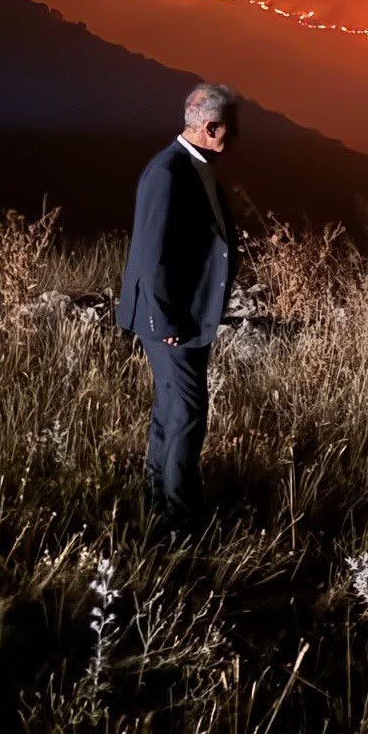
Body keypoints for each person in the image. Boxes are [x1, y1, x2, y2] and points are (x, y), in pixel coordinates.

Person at [116, 82, 241, 526]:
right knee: (188, 414)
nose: (236, 137)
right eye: (232, 128)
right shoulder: (168, 172)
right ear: (209, 126)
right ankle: (181, 520)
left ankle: (158, 505)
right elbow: (151, 256)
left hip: (182, 315)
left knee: (172, 408)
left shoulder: (190, 164)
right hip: (174, 319)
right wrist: (165, 317)